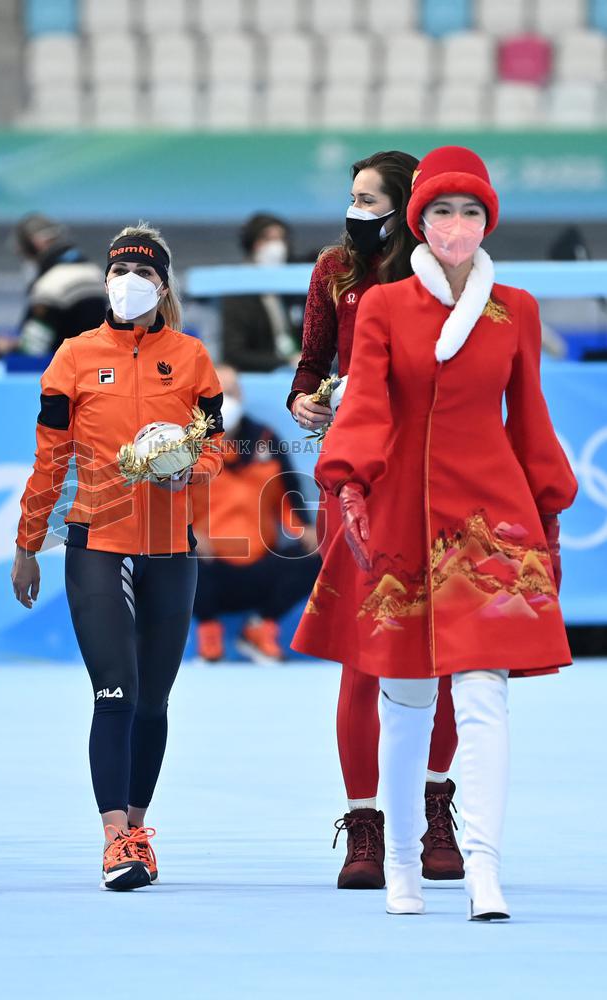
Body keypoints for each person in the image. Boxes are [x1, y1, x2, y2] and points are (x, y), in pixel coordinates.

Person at [292, 146, 577, 919]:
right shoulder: (384, 306)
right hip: (399, 511)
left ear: (489, 220)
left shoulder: (515, 309)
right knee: (404, 695)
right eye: (442, 209)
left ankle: (484, 870)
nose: (456, 223)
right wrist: (349, 479)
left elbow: (530, 417)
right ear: (417, 219)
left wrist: (548, 508)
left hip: (490, 520)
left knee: (484, 694)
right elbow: (365, 404)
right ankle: (398, 866)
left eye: (470, 210)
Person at [11, 223, 223, 891]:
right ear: (105, 281)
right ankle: (115, 842)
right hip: (96, 544)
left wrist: (187, 466)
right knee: (115, 693)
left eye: (143, 274)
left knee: (153, 702)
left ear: (163, 285)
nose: (129, 283)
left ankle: (137, 829)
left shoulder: (191, 357)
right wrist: (27, 544)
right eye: (119, 272)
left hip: (169, 549)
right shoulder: (73, 356)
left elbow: (216, 447)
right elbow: (49, 460)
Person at [289, 150, 463, 890]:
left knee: (443, 646)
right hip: (356, 478)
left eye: (369, 199)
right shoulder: (334, 270)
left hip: (436, 475)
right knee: (364, 653)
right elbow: (311, 364)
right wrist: (306, 401)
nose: (355, 210)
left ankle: (432, 810)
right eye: (352, 196)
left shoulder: (444, 272)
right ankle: (365, 824)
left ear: (405, 206)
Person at [192, 365, 320, 662]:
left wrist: (305, 529)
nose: (226, 401)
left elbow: (289, 495)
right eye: (217, 394)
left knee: (319, 553)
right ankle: (209, 635)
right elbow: (169, 504)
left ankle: (260, 628)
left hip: (262, 565)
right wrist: (188, 534)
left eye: (232, 393)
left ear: (242, 396)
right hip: (208, 568)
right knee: (174, 554)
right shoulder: (187, 448)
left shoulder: (266, 439)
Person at [0, 213, 107, 359]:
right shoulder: (97, 273)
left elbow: (33, 349)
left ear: (37, 244)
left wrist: (8, 347)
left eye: (23, 254)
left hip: (67, 365)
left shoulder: (49, 285)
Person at [220, 212, 302, 372]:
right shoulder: (237, 291)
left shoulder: (292, 289)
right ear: (252, 243)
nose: (276, 247)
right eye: (268, 239)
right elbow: (234, 353)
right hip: (260, 373)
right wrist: (285, 362)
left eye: (280, 239)